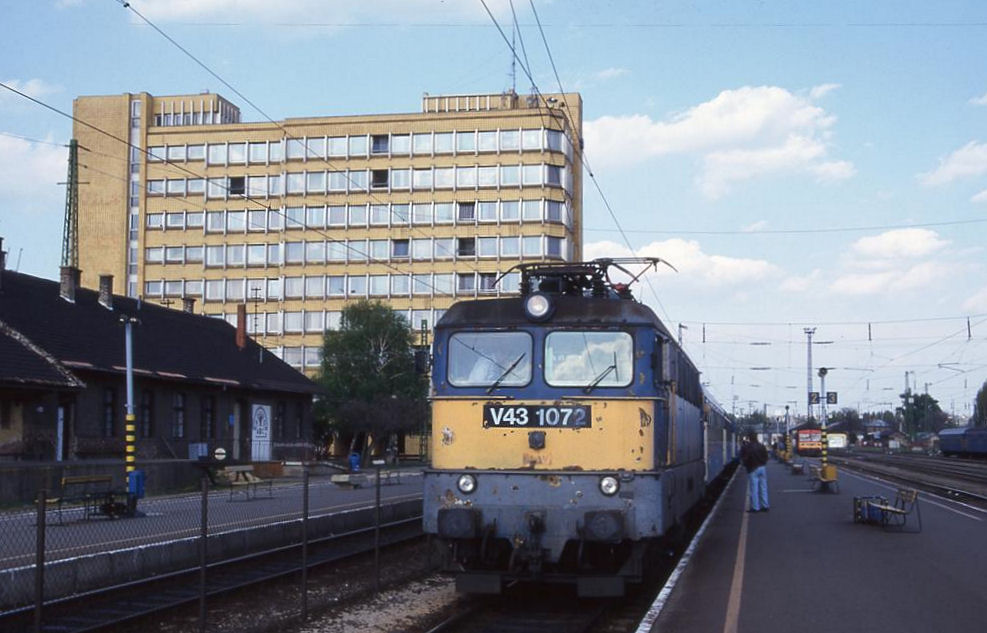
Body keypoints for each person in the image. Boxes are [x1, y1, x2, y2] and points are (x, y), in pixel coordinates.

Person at [740, 431, 770, 512]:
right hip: (762, 468)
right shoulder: (761, 446)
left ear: (749, 438)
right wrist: (763, 463)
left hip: (753, 469)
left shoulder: (747, 447)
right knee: (763, 488)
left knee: (754, 489)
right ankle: (765, 505)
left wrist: (746, 465)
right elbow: (766, 457)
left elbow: (744, 458)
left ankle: (755, 507)